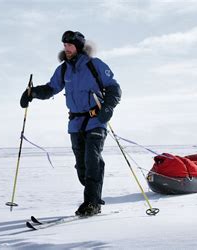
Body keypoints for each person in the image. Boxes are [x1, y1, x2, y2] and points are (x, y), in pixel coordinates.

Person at [20, 31, 122, 216]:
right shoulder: (63, 69)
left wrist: (108, 108)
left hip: (96, 120)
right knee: (82, 169)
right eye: (64, 45)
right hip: (75, 123)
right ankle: (93, 193)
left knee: (93, 161)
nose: (66, 48)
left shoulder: (94, 65)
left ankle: (92, 203)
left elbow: (114, 87)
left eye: (70, 45)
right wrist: (32, 93)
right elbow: (51, 88)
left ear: (79, 46)